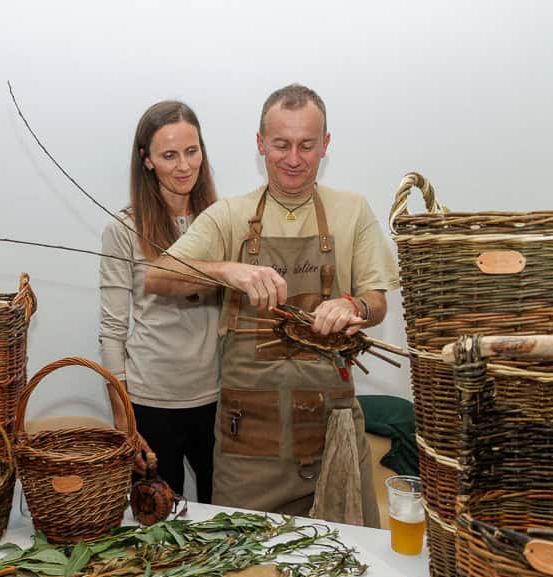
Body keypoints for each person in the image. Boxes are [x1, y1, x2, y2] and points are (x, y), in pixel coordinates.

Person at [144, 84, 399, 526]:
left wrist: (353, 306)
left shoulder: (352, 210)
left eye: (307, 145)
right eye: (281, 144)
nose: (294, 158)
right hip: (249, 444)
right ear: (261, 143)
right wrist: (228, 271)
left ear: (326, 144)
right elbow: (158, 275)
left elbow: (377, 301)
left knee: (347, 556)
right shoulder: (230, 215)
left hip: (331, 432)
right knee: (245, 557)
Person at [98, 100, 220, 503]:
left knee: (228, 520)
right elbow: (112, 331)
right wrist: (124, 422)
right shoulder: (123, 229)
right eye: (169, 155)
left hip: (218, 399)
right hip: (151, 404)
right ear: (146, 160)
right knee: (159, 524)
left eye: (192, 151)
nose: (184, 166)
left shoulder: (222, 220)